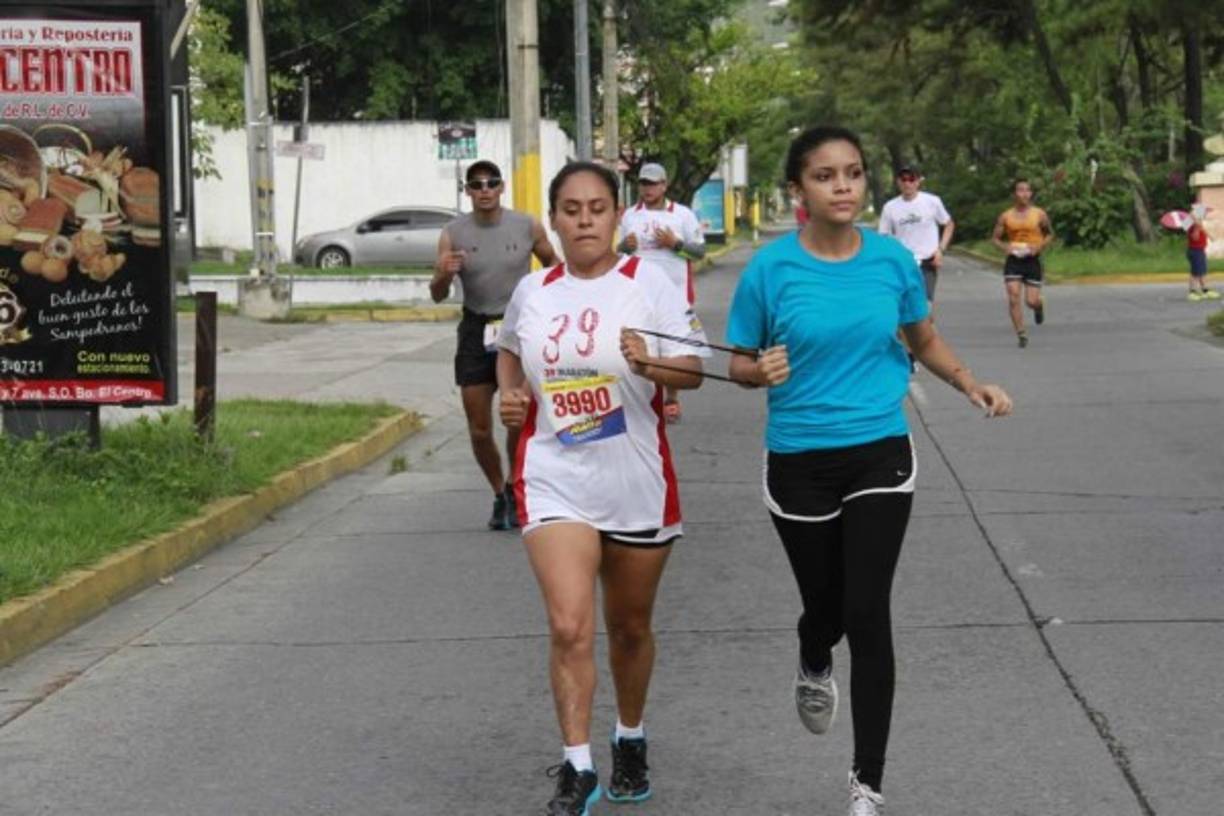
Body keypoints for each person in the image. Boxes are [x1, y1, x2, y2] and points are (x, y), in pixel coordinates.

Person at [725, 126, 1012, 816]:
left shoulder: (891, 262)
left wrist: (969, 382)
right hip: (798, 458)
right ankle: (811, 651)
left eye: (852, 173)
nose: (843, 186)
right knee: (825, 609)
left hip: (880, 449)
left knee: (867, 610)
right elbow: (736, 359)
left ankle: (866, 784)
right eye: (825, 176)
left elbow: (923, 338)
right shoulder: (771, 269)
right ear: (799, 191)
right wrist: (753, 370)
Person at [497, 161, 708, 816]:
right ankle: (578, 765)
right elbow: (507, 349)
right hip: (554, 473)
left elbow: (695, 370)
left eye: (595, 208)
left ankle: (631, 736)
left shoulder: (651, 283)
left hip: (635, 476)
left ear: (618, 216)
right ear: (553, 220)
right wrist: (510, 392)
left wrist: (652, 362)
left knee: (629, 627)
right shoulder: (532, 292)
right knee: (568, 625)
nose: (583, 220)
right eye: (569, 209)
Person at [433, 160, 558, 530]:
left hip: (517, 329)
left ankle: (513, 484)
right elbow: (438, 294)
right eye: (477, 184)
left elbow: (554, 267)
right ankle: (498, 492)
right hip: (475, 329)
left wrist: (548, 311)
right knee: (480, 428)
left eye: (491, 183)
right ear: (468, 191)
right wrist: (444, 272)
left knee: (517, 420)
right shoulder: (453, 233)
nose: (485, 190)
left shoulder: (526, 224)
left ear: (502, 187)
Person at [617, 162, 707, 423]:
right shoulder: (630, 216)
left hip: (675, 295)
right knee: (639, 345)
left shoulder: (682, 215)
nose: (647, 188)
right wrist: (625, 245)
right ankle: (642, 397)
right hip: (637, 294)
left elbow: (700, 252)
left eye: (653, 183)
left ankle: (671, 396)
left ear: (664, 185)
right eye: (643, 183)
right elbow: (619, 254)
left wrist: (675, 244)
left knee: (674, 348)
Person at [877, 164, 955, 307]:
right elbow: (883, 236)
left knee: (925, 309)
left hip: (928, 261)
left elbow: (948, 224)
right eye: (903, 179)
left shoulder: (932, 201)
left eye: (911, 179)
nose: (907, 183)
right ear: (898, 182)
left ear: (918, 181)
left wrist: (941, 250)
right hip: (903, 262)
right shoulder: (890, 207)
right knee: (904, 311)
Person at [991, 178, 1054, 348]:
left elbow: (1049, 235)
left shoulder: (1039, 214)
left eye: (1027, 190)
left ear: (1031, 193)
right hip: (1014, 260)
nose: (1024, 193)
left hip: (1032, 259)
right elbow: (995, 239)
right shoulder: (1006, 216)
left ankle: (1038, 306)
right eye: (1020, 190)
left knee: (1030, 301)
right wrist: (1006, 248)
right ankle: (1021, 333)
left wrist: (1039, 246)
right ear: (1014, 194)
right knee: (1013, 296)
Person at [1185, 204, 1219, 301]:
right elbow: (1194, 237)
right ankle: (1192, 292)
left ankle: (1205, 290)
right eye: (1204, 212)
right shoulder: (1192, 225)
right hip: (1195, 251)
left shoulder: (1197, 224)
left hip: (1199, 250)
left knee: (1202, 272)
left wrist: (1208, 235)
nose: (1205, 214)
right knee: (1195, 273)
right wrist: (1197, 227)